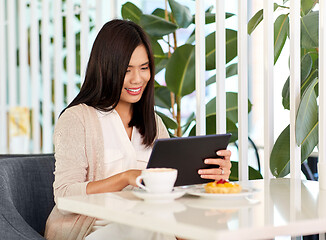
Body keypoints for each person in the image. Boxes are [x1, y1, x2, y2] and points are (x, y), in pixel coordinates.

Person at [44, 19, 232, 240]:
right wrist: (126, 178)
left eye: (144, 68)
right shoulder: (78, 119)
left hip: (149, 226)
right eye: (127, 70)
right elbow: (64, 197)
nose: (138, 79)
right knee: (148, 228)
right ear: (106, 69)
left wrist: (211, 176)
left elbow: (172, 195)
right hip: (94, 231)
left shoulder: (153, 122)